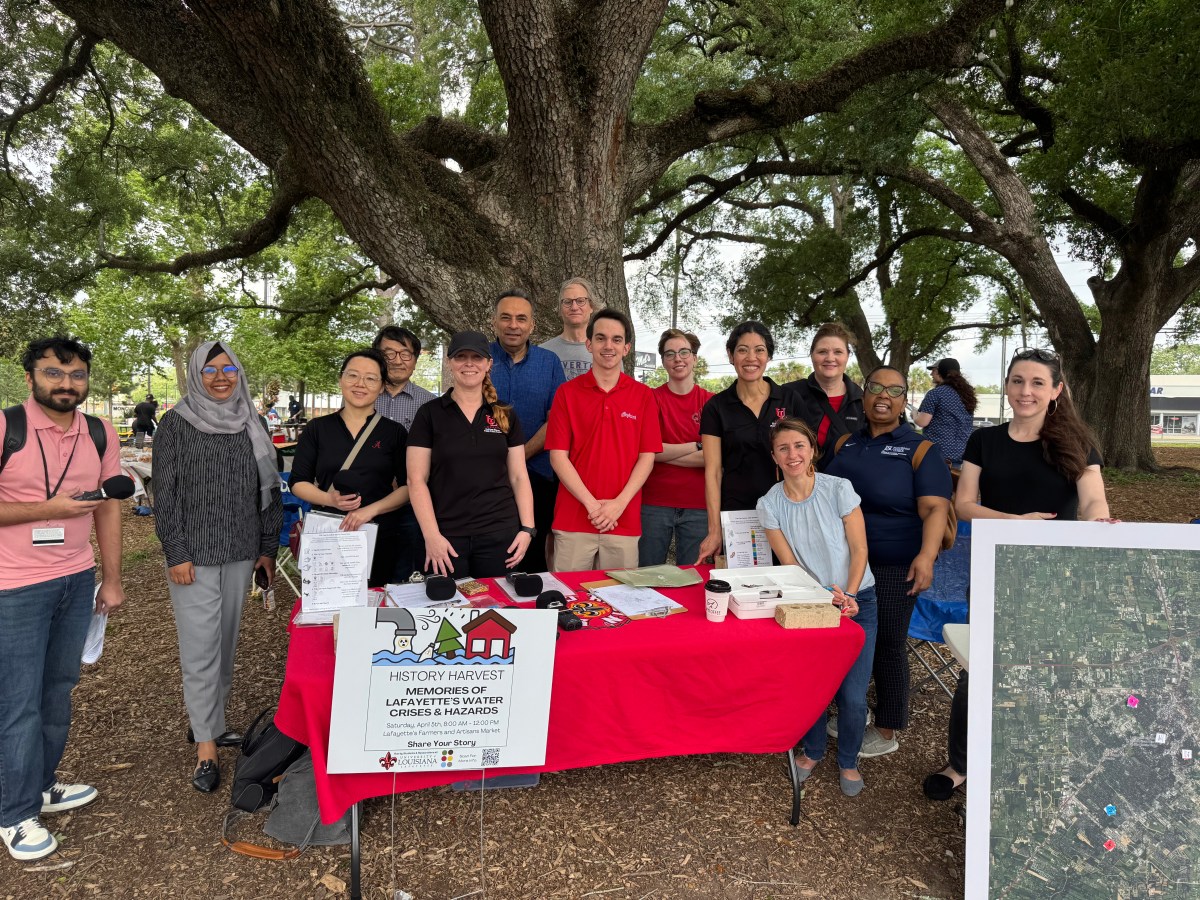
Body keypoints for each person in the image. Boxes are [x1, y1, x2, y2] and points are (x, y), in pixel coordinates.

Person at [924, 348, 1112, 801]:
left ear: (1056, 391)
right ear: (1007, 386)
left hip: (1058, 576)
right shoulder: (983, 441)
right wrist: (1012, 521)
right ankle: (960, 765)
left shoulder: (1077, 443)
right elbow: (964, 503)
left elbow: (1092, 504)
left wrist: (1102, 526)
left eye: (1037, 383)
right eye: (1017, 381)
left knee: (1049, 669)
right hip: (994, 567)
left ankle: (1031, 756)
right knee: (979, 667)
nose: (1026, 391)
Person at [0, 336, 124, 862]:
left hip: (76, 579)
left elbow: (108, 507)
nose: (66, 384)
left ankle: (42, 786)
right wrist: (46, 508)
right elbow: (64, 506)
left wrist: (112, 579)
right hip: (13, 584)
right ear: (30, 377)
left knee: (58, 689)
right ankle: (13, 813)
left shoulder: (99, 432)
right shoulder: (8, 427)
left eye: (76, 375)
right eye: (54, 374)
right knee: (18, 702)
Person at [152, 341, 283, 794]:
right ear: (195, 374)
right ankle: (205, 747)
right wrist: (176, 551)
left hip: (242, 550)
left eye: (230, 367)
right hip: (195, 554)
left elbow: (268, 492)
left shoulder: (253, 421)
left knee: (225, 641)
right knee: (199, 647)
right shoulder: (176, 424)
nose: (222, 377)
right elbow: (163, 495)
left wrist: (268, 549)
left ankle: (210, 720)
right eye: (211, 370)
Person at [824, 366, 952, 759]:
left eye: (894, 390)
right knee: (849, 638)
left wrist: (926, 556)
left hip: (895, 564)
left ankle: (886, 727)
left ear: (903, 401)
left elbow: (934, 509)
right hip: (846, 566)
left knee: (889, 643)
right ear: (863, 396)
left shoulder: (921, 449)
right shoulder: (846, 442)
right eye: (875, 387)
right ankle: (854, 711)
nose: (884, 395)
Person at [757, 418, 876, 797]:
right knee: (813, 686)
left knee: (854, 695)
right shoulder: (769, 503)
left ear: (811, 450)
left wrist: (851, 594)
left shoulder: (839, 489)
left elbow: (859, 549)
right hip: (810, 603)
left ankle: (848, 760)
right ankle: (811, 750)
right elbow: (790, 566)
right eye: (783, 448)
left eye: (799, 446)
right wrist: (824, 597)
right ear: (774, 456)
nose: (792, 454)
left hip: (860, 600)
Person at [407, 331, 536, 578]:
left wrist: (527, 529)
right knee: (451, 612)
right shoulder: (429, 414)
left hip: (500, 534)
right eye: (460, 356)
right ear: (450, 362)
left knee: (496, 611)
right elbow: (416, 480)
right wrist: (431, 535)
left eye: (476, 357)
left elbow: (519, 476)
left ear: (488, 364)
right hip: (446, 537)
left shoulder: (504, 413)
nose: (468, 363)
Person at [545, 308, 662, 571]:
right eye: (600, 338)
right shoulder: (567, 394)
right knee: (569, 604)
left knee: (621, 604)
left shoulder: (643, 396)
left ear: (627, 348)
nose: (608, 346)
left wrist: (618, 505)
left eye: (616, 339)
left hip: (623, 520)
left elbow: (647, 457)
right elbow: (557, 456)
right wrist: (592, 506)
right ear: (589, 344)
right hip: (574, 520)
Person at [289, 350, 410, 588]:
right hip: (328, 534)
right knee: (329, 608)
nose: (360, 384)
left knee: (375, 609)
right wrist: (329, 499)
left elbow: (409, 487)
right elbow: (298, 481)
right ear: (341, 379)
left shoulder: (394, 432)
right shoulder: (317, 428)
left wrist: (369, 511)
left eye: (370, 378)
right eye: (353, 375)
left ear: (382, 386)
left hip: (379, 535)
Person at [695, 321, 797, 565]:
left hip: (785, 515)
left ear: (769, 356)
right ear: (731, 356)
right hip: (738, 517)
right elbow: (713, 472)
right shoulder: (716, 407)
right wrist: (714, 529)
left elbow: (803, 460)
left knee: (787, 589)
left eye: (759, 350)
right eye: (742, 350)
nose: (751, 357)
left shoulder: (789, 400)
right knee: (745, 591)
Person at [488, 290, 567, 572]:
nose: (513, 325)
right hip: (487, 478)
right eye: (506, 318)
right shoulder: (478, 361)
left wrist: (518, 457)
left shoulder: (549, 363)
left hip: (539, 477)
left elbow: (555, 421)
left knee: (532, 556)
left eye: (521, 319)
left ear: (532, 325)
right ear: (494, 322)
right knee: (492, 554)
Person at [640, 328, 712, 567]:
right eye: (670, 354)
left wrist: (661, 453)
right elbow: (647, 449)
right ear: (663, 361)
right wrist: (696, 445)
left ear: (694, 358)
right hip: (654, 503)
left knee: (693, 576)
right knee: (647, 575)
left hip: (699, 504)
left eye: (683, 352)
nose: (677, 359)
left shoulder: (711, 402)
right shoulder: (650, 398)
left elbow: (713, 457)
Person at [371, 325, 435, 580]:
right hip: (368, 501)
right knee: (370, 575)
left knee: (408, 574)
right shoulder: (364, 396)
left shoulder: (430, 404)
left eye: (405, 354)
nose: (397, 361)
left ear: (415, 361)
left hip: (413, 504)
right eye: (389, 354)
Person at [783, 322, 864, 465]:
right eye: (822, 352)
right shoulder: (788, 394)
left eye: (838, 352)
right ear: (812, 355)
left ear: (847, 356)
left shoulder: (862, 400)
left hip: (849, 485)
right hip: (802, 483)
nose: (830, 358)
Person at [914, 357, 976, 468]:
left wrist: (914, 415)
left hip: (936, 455)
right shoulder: (967, 395)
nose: (931, 374)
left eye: (934, 370)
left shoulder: (935, 394)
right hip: (960, 455)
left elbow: (922, 422)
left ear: (941, 371)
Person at [540, 276, 600, 380]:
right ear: (560, 309)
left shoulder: (607, 352)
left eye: (581, 301)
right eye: (567, 302)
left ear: (591, 306)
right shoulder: (542, 352)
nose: (574, 307)